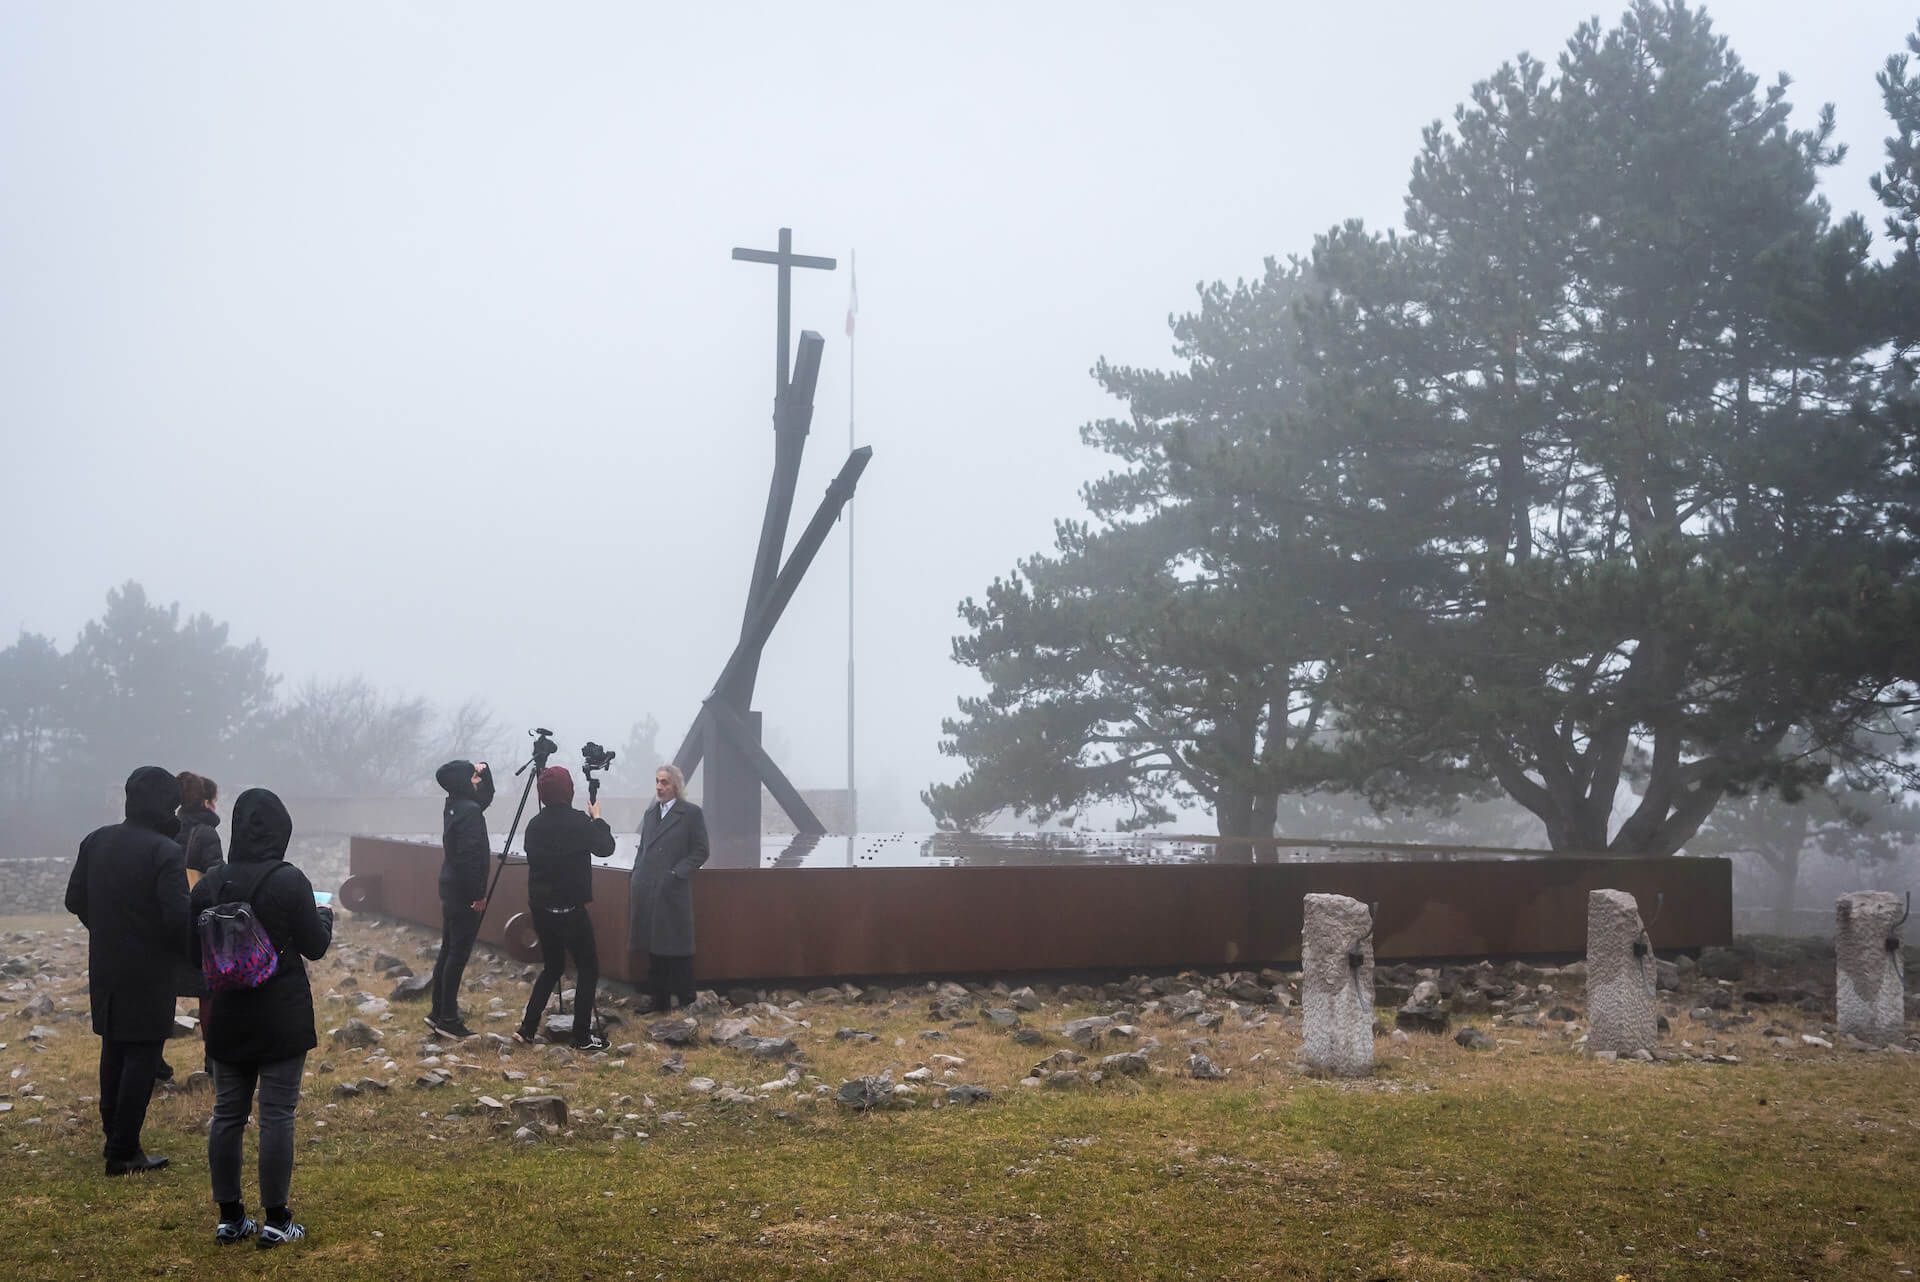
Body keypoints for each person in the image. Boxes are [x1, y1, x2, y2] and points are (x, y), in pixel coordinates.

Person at [190, 788, 332, 1249]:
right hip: (281, 1015)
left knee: (227, 1114)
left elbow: (193, 949)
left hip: (227, 1013)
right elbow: (315, 945)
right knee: (276, 1115)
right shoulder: (289, 880)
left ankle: (230, 1218)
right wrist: (324, 915)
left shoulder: (210, 884)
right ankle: (276, 1220)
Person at [64, 765, 191, 1176]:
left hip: (106, 962)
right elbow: (177, 918)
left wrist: (105, 928)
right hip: (150, 970)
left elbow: (74, 900)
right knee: (143, 1054)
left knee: (114, 1047)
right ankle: (123, 1151)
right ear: (165, 805)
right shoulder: (165, 851)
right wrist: (189, 954)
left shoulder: (95, 840)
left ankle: (113, 1138)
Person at [516, 766, 616, 1051]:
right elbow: (606, 847)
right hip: (572, 910)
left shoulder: (534, 825)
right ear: (569, 792)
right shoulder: (579, 823)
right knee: (588, 967)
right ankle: (582, 1036)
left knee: (552, 967)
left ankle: (527, 1029)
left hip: (542, 910)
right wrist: (597, 818)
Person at [626, 763, 708, 1013]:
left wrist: (677, 873)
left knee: (677, 945)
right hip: (648, 888)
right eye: (657, 781)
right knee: (654, 946)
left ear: (676, 786)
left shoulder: (691, 814)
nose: (659, 787)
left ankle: (686, 1000)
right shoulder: (651, 814)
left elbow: (701, 851)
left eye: (664, 782)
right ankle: (658, 1001)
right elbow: (643, 848)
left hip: (672, 890)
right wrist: (637, 873)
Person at [428, 758, 493, 1038]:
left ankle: (438, 1011)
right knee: (457, 954)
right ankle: (449, 1019)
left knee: (448, 950)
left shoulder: (455, 805)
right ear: (463, 783)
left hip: (450, 886)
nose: (476, 781)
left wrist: (485, 773)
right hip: (463, 891)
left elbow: (484, 798)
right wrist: (477, 894)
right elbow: (469, 856)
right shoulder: (469, 812)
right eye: (473, 777)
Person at [176, 771, 224, 1074]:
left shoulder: (168, 829)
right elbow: (216, 875)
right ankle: (212, 1059)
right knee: (208, 992)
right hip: (198, 921)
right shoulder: (206, 833)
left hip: (168, 918)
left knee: (163, 989)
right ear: (207, 801)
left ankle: (154, 1061)